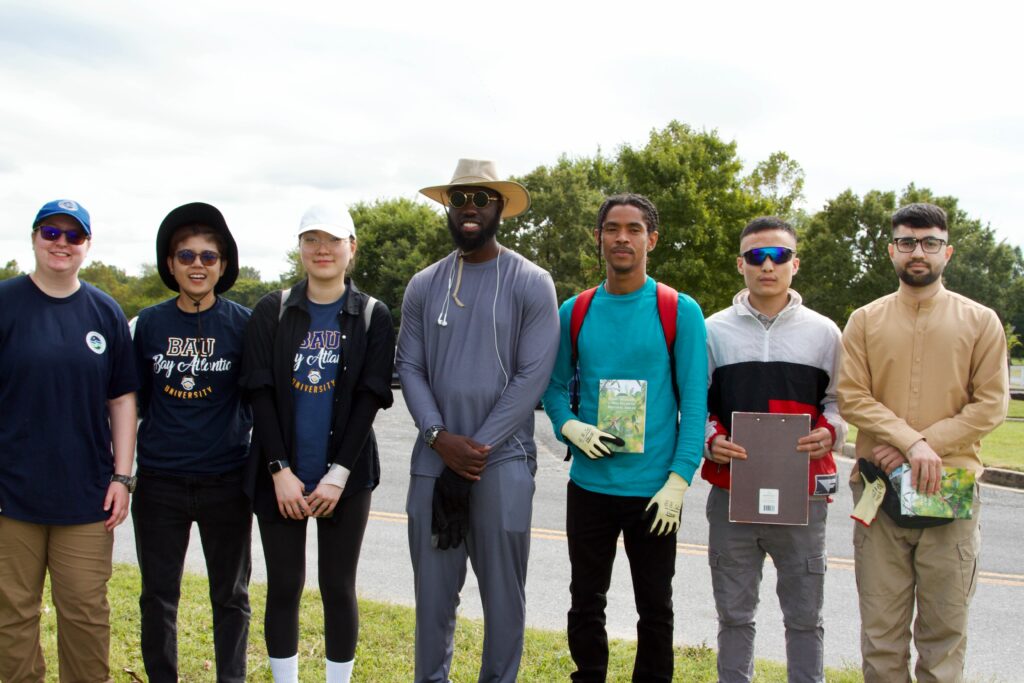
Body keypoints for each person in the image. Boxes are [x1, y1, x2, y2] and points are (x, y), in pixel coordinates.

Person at [396, 158, 559, 683]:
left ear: (500, 208)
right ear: (448, 205)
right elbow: (410, 367)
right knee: (432, 601)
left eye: (482, 198)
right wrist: (439, 439)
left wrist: (475, 449)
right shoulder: (424, 284)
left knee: (504, 601)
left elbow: (532, 377)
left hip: (503, 462)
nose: (470, 206)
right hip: (432, 462)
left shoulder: (532, 282)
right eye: (460, 197)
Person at [838, 202, 1008, 683]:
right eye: (908, 242)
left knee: (944, 634)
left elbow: (991, 404)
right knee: (881, 634)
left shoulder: (980, 322)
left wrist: (919, 444)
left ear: (947, 251)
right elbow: (852, 396)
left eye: (930, 242)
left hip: (950, 489)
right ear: (892, 250)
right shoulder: (864, 321)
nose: (919, 252)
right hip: (878, 488)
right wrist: (910, 444)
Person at [542, 193, 707, 683]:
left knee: (655, 606)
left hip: (655, 494)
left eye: (634, 229)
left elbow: (694, 407)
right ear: (599, 237)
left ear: (651, 239)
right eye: (612, 228)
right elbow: (552, 391)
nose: (621, 237)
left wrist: (678, 482)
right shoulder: (574, 311)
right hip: (590, 488)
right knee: (585, 600)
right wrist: (568, 425)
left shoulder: (679, 310)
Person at [240, 203, 395, 683]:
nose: (322, 249)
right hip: (279, 475)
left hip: (345, 478)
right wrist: (279, 470)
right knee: (284, 585)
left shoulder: (372, 314)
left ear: (352, 247)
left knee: (337, 585)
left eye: (333, 240)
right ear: (300, 247)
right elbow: (259, 393)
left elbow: (371, 398)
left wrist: (339, 474)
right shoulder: (274, 309)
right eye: (311, 239)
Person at [702, 216, 846, 683]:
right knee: (734, 617)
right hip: (731, 496)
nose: (768, 265)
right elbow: (695, 404)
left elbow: (839, 403)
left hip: (802, 496)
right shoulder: (711, 331)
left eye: (779, 256)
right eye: (757, 256)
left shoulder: (825, 333)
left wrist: (833, 431)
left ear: (795, 264)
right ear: (740, 264)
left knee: (805, 618)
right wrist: (710, 439)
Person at [0, 199, 138, 682]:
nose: (61, 243)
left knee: (84, 614)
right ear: (34, 237)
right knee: (11, 617)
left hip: (86, 496)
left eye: (73, 236)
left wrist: (123, 475)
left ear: (87, 245)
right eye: (51, 233)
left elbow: (122, 399)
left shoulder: (104, 311)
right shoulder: (6, 302)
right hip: (10, 495)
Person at [132, 202, 253, 682]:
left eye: (208, 256)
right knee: (158, 596)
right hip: (160, 482)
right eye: (186, 256)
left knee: (231, 596)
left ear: (222, 266)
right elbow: (133, 400)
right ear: (170, 263)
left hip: (226, 478)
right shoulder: (149, 325)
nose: (197, 265)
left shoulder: (244, 324)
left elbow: (257, 399)